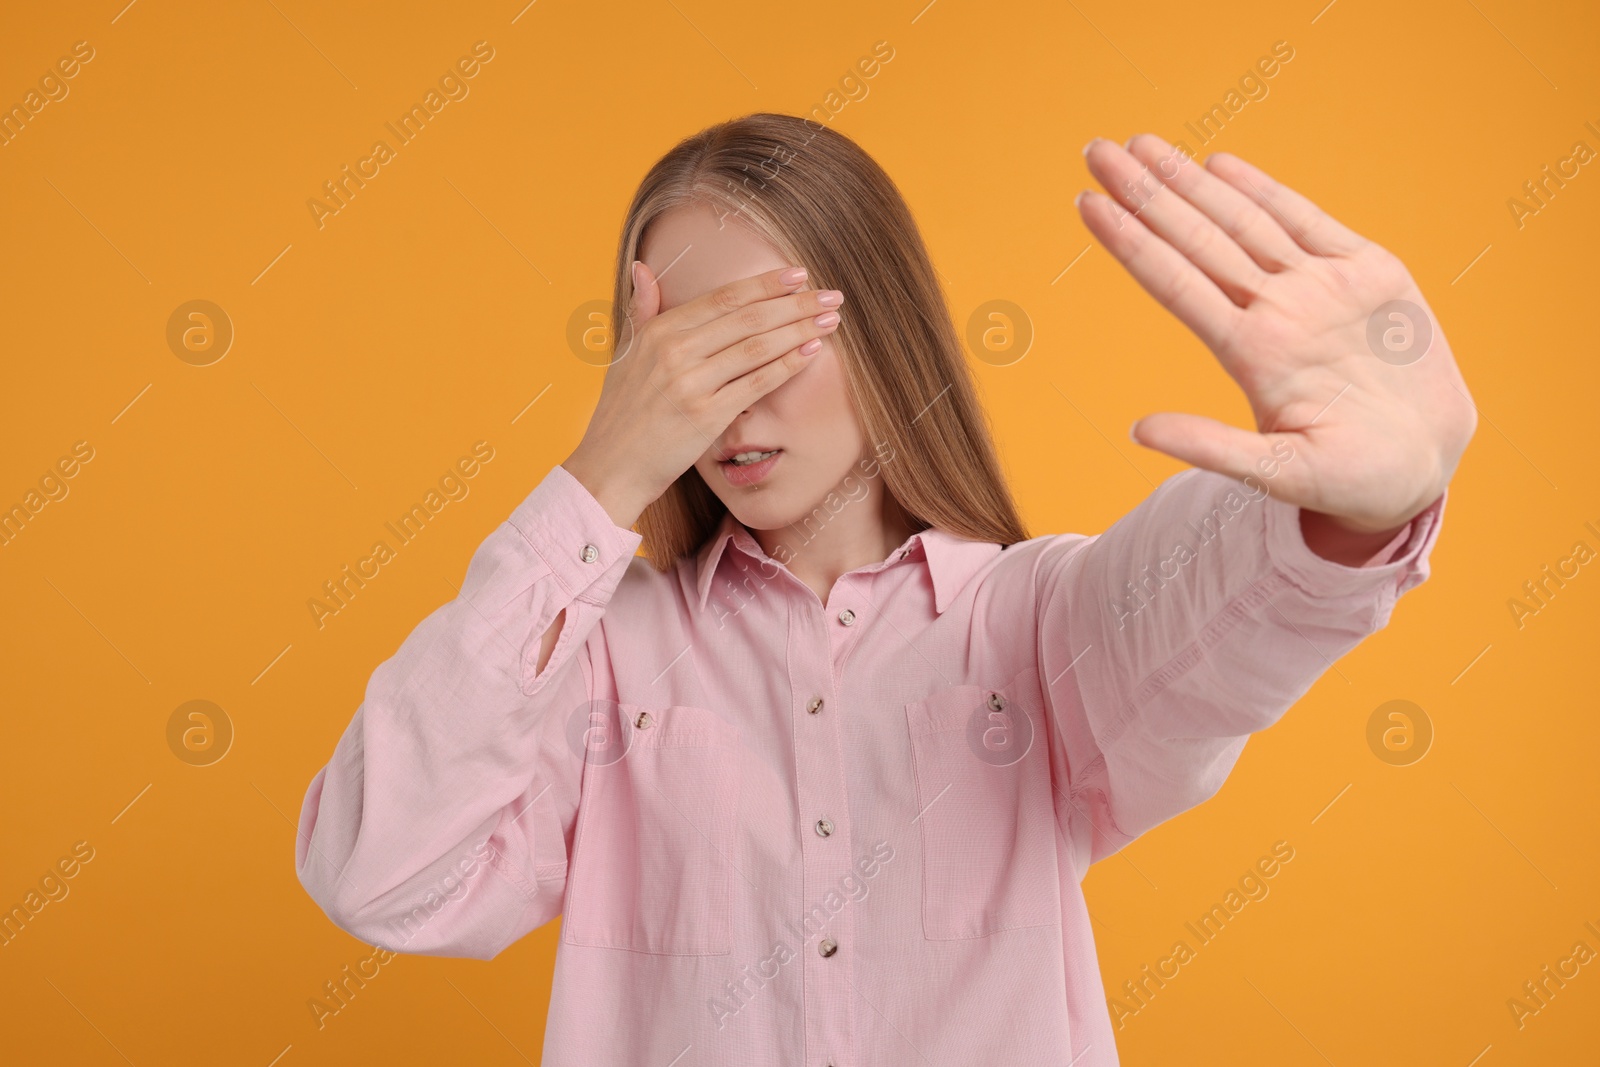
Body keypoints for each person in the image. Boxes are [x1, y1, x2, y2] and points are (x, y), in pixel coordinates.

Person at [293, 112, 1475, 1065]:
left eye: (764, 339)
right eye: (682, 358)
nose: (724, 403)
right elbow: (379, 872)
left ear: (880, 329)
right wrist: (596, 478)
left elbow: (1196, 607)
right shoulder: (594, 655)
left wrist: (1346, 505)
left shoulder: (1027, 623)